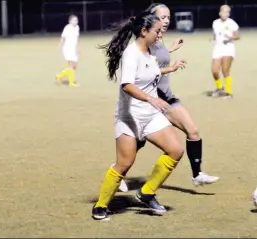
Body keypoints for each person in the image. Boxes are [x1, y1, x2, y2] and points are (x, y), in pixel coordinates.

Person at [117, 3, 219, 193]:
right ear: (152, 19)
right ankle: (119, 174)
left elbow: (157, 59)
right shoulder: (146, 40)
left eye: (168, 17)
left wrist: (169, 51)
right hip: (153, 100)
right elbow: (148, 68)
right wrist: (170, 67)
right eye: (162, 17)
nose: (166, 21)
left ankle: (197, 175)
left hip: (167, 97)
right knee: (137, 142)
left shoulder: (159, 39)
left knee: (193, 131)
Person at [92, 11, 185, 221]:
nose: (160, 34)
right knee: (124, 164)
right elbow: (127, 85)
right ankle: (100, 205)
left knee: (176, 150)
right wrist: (151, 99)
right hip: (130, 116)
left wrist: (170, 68)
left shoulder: (149, 51)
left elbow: (151, 72)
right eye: (157, 31)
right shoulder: (131, 53)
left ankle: (147, 192)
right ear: (143, 31)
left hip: (151, 116)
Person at [211, 5, 240, 98]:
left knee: (225, 70)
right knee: (215, 71)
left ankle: (229, 93)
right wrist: (213, 39)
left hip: (228, 49)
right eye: (223, 11)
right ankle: (219, 88)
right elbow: (215, 35)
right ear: (220, 13)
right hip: (218, 48)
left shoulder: (232, 23)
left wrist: (230, 37)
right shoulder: (215, 23)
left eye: (227, 12)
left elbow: (237, 36)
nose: (225, 13)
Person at [55, 14, 80, 87]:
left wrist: (78, 48)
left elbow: (76, 38)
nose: (76, 21)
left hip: (73, 49)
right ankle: (71, 83)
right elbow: (62, 37)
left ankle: (59, 76)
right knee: (71, 65)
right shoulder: (67, 28)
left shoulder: (77, 27)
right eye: (74, 20)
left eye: (76, 20)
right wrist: (60, 45)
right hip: (68, 49)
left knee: (74, 66)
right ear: (70, 21)